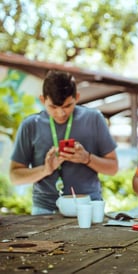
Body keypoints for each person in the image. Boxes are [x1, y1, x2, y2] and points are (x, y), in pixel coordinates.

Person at [9, 70, 119, 215]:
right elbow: (14, 176)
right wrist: (46, 169)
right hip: (45, 209)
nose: (61, 113)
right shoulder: (30, 125)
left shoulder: (94, 119)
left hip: (87, 206)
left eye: (67, 106)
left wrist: (87, 158)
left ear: (77, 97)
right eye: (53, 107)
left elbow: (113, 168)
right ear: (42, 100)